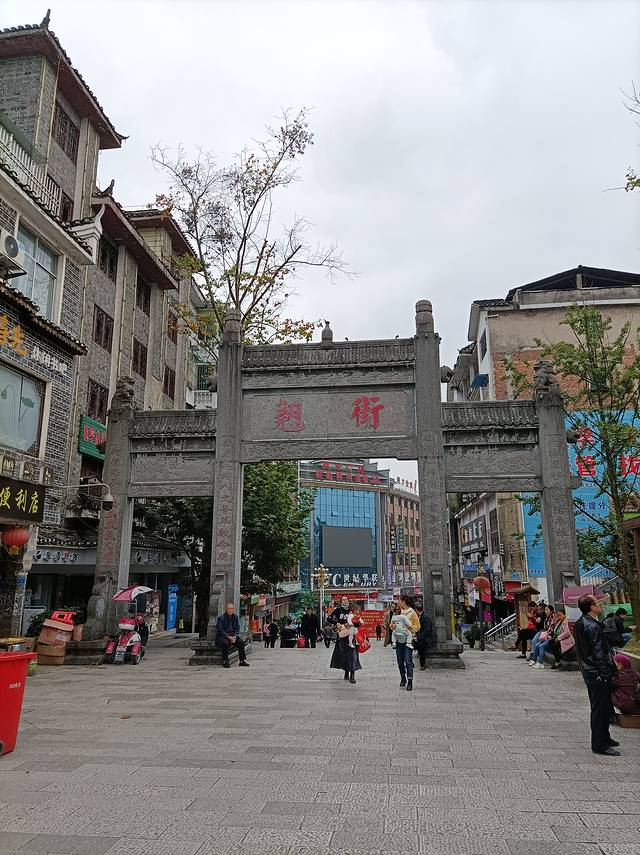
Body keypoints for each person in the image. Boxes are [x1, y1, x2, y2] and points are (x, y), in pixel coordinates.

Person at [574, 594, 619, 756]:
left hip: (589, 670)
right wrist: (605, 673)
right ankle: (599, 744)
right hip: (597, 672)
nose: (599, 604)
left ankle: (604, 737)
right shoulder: (592, 626)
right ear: (592, 607)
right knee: (600, 709)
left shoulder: (581, 622)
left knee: (603, 707)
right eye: (597, 603)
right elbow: (598, 653)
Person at [328, 596, 362, 683]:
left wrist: (352, 624)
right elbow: (329, 618)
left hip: (352, 637)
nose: (345, 601)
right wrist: (337, 623)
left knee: (352, 655)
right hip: (342, 636)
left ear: (348, 601)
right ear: (340, 602)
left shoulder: (352, 610)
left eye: (346, 600)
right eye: (343, 600)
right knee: (344, 655)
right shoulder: (337, 611)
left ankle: (352, 675)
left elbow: (359, 622)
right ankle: (346, 672)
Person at [391, 594, 420, 691]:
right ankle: (403, 677)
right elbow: (392, 624)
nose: (398, 603)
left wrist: (409, 628)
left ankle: (410, 680)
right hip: (399, 640)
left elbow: (417, 626)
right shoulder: (398, 612)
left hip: (408, 640)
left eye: (399, 601)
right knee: (400, 661)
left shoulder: (412, 612)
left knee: (408, 661)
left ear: (403, 602)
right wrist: (393, 626)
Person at [215, 602, 249, 669]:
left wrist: (235, 636)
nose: (230, 610)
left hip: (233, 636)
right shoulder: (221, 618)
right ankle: (225, 661)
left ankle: (242, 661)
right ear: (226, 609)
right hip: (223, 636)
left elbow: (237, 627)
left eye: (232, 609)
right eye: (229, 609)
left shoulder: (235, 617)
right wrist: (228, 637)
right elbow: (220, 630)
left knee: (240, 642)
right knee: (225, 643)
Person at [415, 602, 437, 670]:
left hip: (428, 638)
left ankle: (422, 665)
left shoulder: (425, 617)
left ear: (416, 609)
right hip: (422, 636)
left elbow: (427, 630)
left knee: (421, 645)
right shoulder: (420, 616)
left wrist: (419, 637)